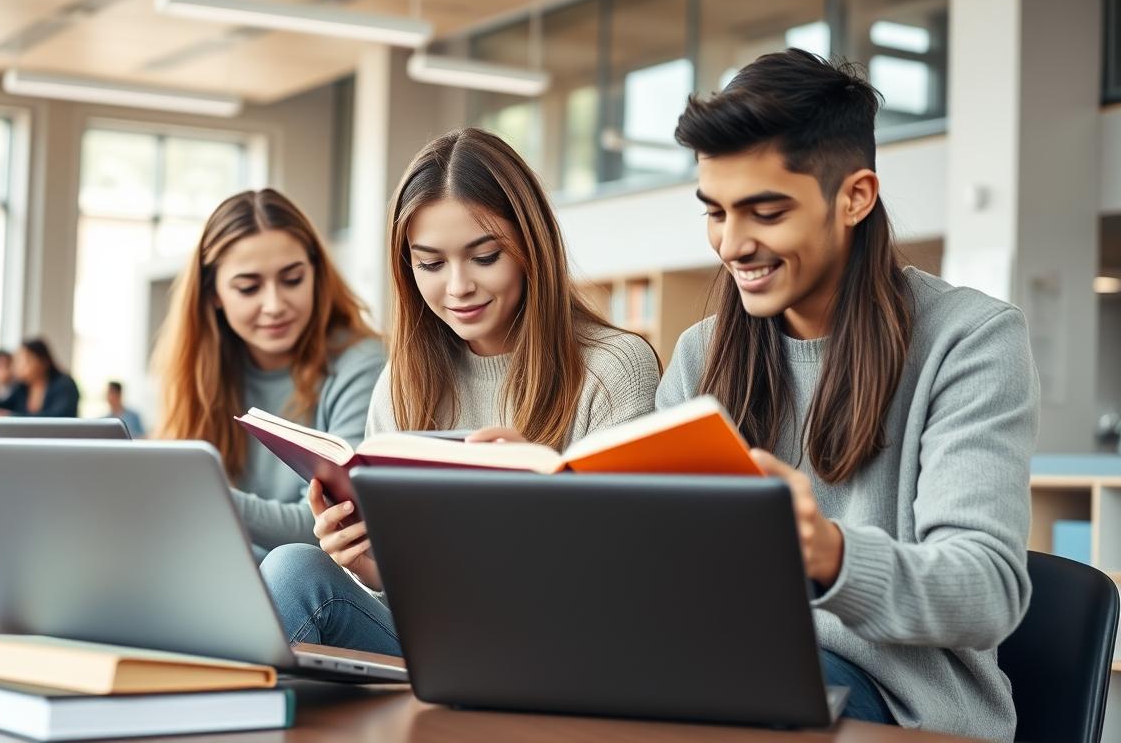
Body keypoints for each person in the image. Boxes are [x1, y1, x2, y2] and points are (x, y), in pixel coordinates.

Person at [655, 50, 1035, 740]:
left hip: (901, 708)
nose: (732, 244)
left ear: (855, 197)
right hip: (727, 675)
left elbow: (987, 591)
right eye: (715, 212)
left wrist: (828, 552)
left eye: (765, 212)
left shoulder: (971, 340)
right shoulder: (700, 354)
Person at [260, 127, 662, 656]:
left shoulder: (613, 370)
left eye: (485, 257)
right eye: (430, 264)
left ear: (530, 248)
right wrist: (368, 565)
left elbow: (634, 583)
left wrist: (548, 502)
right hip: (438, 640)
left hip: (559, 645)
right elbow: (409, 585)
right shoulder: (404, 380)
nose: (457, 288)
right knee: (292, 567)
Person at [152, 188, 383, 556]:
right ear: (214, 294)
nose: (274, 305)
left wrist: (195, 488)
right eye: (249, 287)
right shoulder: (198, 372)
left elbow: (331, 524)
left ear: (316, 275)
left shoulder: (361, 363)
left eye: (292, 280)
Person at [0, 338, 79, 419]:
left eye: (25, 361)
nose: (18, 367)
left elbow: (59, 417)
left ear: (43, 362)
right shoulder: (22, 388)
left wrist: (12, 417)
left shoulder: (64, 385)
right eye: (17, 361)